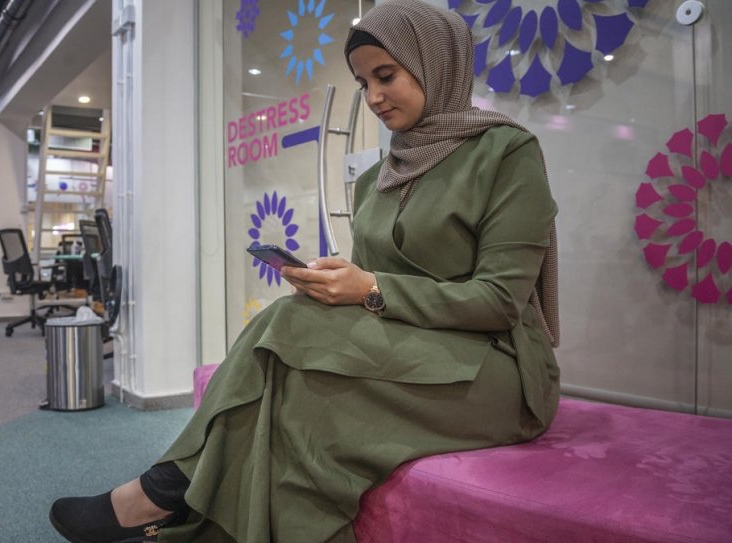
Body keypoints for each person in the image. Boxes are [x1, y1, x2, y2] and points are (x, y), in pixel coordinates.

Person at [49, 1, 560, 541]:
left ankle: (162, 495)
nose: (374, 97)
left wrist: (371, 289)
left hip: (497, 371)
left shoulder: (506, 152)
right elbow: (380, 284)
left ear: (438, 63)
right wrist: (341, 281)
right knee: (292, 365)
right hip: (419, 348)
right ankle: (173, 502)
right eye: (363, 82)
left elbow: (500, 301)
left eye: (386, 76)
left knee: (287, 339)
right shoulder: (381, 177)